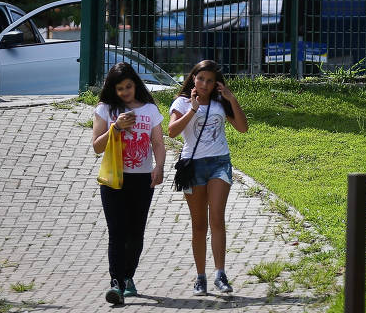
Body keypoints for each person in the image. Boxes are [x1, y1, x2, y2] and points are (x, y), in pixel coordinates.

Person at [168, 60, 248, 295]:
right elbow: (172, 132)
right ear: (193, 78)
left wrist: (231, 99)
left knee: (217, 218)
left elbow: (243, 128)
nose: (204, 84)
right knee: (199, 224)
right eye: (201, 78)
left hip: (219, 164)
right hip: (193, 167)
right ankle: (200, 276)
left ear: (216, 84)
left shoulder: (220, 102)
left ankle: (220, 274)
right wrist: (192, 109)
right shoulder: (182, 102)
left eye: (210, 81)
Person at [91, 62, 165, 305]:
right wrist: (116, 127)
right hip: (114, 178)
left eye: (128, 87)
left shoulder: (150, 110)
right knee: (117, 232)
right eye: (120, 88)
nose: (125, 92)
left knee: (136, 234)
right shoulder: (105, 109)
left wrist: (159, 166)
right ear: (113, 89)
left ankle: (127, 276)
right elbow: (96, 147)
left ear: (136, 84)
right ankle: (116, 283)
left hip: (142, 179)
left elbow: (157, 143)